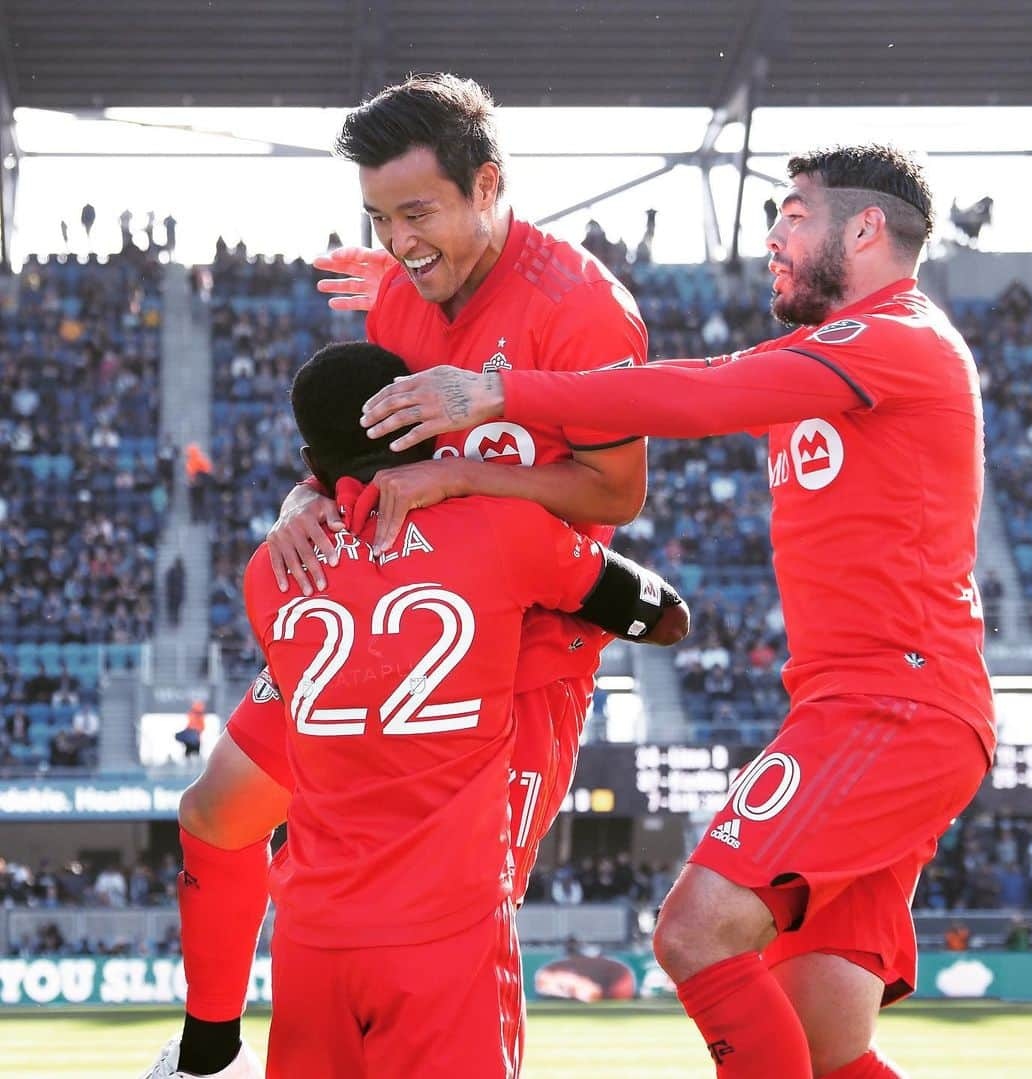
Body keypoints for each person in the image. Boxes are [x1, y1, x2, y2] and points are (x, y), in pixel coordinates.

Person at [361, 144, 994, 1079]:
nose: (771, 234)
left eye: (792, 214)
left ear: (864, 228)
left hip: (895, 706)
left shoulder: (902, 336)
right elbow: (669, 367)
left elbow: (700, 391)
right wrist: (444, 278)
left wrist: (498, 388)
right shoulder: (840, 350)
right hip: (861, 708)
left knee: (696, 931)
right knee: (823, 1043)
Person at [146, 74, 651, 1079]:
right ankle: (206, 1054)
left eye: (417, 213)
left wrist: (462, 468)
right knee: (213, 813)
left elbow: (615, 494)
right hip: (381, 618)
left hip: (519, 650)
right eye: (380, 218)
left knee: (452, 926)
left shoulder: (586, 309)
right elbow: (356, 450)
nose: (397, 242)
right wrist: (305, 499)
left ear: (488, 186)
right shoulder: (401, 296)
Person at [240, 341, 686, 1079]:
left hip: (311, 937)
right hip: (447, 930)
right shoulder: (500, 529)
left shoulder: (272, 572)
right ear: (423, 426)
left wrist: (305, 500)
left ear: (310, 461)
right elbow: (665, 616)